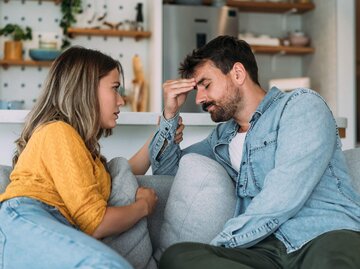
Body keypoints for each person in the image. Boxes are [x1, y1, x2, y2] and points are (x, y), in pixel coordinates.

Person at [149, 35, 360, 269]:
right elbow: (167, 172)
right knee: (177, 256)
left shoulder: (301, 106)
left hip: (322, 235)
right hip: (266, 250)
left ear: (238, 74)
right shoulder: (221, 138)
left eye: (206, 85)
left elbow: (283, 194)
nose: (200, 99)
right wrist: (169, 115)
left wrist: (223, 245)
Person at [0, 46, 184, 269]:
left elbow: (125, 171)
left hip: (47, 222)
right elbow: (95, 224)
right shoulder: (57, 132)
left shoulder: (84, 152)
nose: (121, 101)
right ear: (85, 89)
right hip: (27, 217)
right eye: (115, 89)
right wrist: (143, 206)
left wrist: (163, 128)